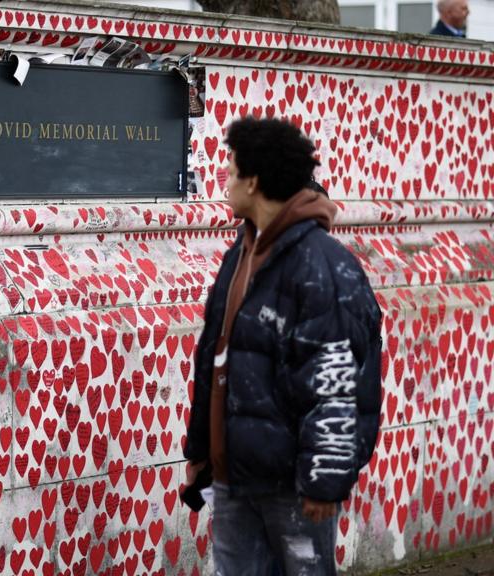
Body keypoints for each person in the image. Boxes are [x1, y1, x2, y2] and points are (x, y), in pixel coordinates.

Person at [182, 117, 382, 576]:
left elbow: (336, 384)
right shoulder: (241, 256)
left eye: (231, 171)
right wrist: (201, 452)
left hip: (293, 488)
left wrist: (323, 482)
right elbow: (214, 359)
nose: (225, 181)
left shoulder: (323, 269)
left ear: (253, 181)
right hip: (234, 480)